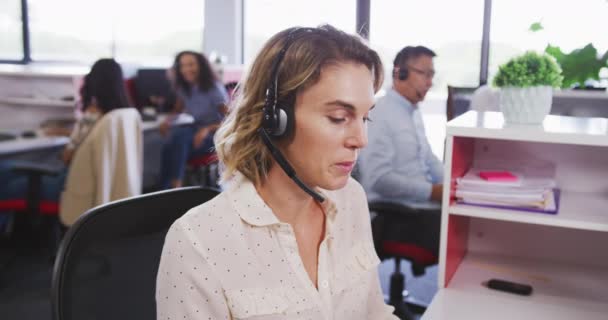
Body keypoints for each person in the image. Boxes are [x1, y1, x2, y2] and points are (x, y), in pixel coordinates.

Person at [156, 25, 398, 319]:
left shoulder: (351, 200)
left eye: (365, 117)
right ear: (274, 120)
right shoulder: (197, 241)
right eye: (338, 118)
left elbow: (374, 312)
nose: (361, 140)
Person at [0, 58, 131, 217]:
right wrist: (67, 133)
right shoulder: (122, 115)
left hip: (67, 187)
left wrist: (71, 135)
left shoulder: (91, 115)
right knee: (7, 168)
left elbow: (66, 157)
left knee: (6, 176)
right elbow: (93, 141)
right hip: (91, 187)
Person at [359, 46, 444, 208]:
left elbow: (429, 158)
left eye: (431, 75)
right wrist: (432, 191)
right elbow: (379, 179)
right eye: (424, 74)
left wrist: (454, 184)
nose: (430, 82)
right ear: (400, 74)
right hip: (398, 212)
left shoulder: (413, 111)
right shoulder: (380, 113)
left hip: (423, 205)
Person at [158, 51, 229, 189]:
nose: (186, 69)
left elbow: (232, 120)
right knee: (171, 143)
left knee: (178, 139)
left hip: (216, 133)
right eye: (182, 66)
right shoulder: (184, 88)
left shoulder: (213, 88)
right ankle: (169, 188)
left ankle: (172, 188)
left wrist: (207, 129)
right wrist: (167, 121)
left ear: (201, 66)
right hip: (195, 132)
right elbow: (178, 109)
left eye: (191, 65)